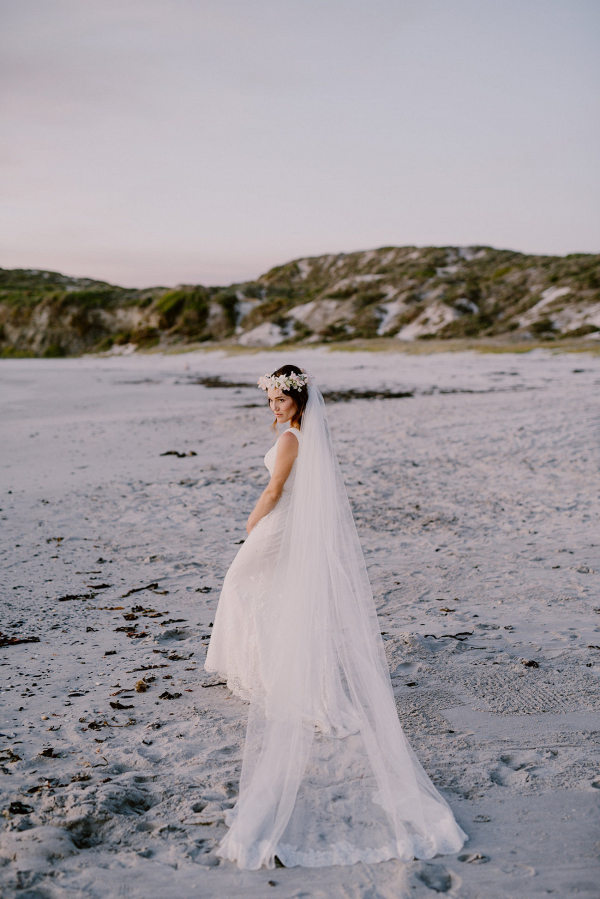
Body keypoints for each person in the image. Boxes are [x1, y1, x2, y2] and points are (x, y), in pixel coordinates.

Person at [205, 364, 467, 870]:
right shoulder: (307, 437)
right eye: (272, 399)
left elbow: (275, 489)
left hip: (278, 525)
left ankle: (258, 670)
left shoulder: (289, 440)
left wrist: (253, 519)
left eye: (281, 398)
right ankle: (262, 666)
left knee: (240, 584)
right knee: (269, 595)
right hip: (291, 527)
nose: (274, 406)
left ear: (299, 400)